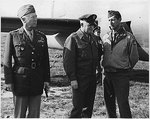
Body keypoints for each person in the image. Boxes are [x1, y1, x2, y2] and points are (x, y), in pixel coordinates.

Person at [4, 4, 50, 118]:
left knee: (34, 114)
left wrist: (46, 80)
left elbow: (45, 61)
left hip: (37, 79)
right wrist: (8, 81)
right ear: (23, 19)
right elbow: (7, 61)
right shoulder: (13, 35)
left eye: (36, 16)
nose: (35, 19)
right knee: (20, 114)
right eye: (32, 17)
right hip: (20, 81)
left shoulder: (41, 37)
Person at [63, 14, 103, 118]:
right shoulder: (73, 38)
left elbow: (97, 57)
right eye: (89, 25)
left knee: (88, 108)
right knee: (77, 108)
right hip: (80, 79)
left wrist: (98, 72)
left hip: (91, 79)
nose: (91, 28)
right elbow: (68, 62)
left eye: (92, 25)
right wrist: (72, 79)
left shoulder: (93, 38)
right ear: (81, 24)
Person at [102, 10, 139, 118]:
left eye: (113, 19)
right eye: (109, 20)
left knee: (122, 103)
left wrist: (125, 67)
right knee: (109, 103)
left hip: (121, 75)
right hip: (107, 75)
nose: (111, 22)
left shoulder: (128, 37)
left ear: (119, 20)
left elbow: (134, 57)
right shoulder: (105, 37)